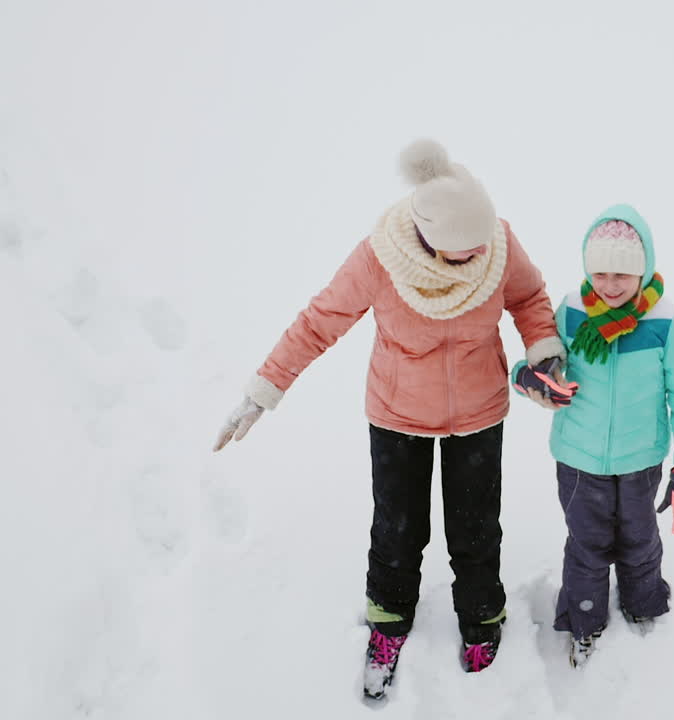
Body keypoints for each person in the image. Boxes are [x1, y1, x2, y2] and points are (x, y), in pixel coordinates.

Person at [212, 139, 565, 698]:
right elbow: (318, 322)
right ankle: (389, 622)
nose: (478, 256)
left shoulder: (495, 242)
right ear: (428, 238)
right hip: (398, 414)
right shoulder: (381, 257)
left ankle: (482, 619)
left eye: (482, 246)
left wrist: (544, 351)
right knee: (398, 532)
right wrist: (264, 391)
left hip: (478, 411)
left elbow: (529, 298)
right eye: (463, 250)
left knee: (475, 530)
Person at [511, 204, 674, 667]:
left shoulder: (668, 324)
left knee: (639, 538)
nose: (610, 285)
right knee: (587, 542)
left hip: (640, 459)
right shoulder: (571, 314)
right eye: (600, 272)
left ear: (643, 271)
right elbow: (534, 366)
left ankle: (645, 605)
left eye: (622, 274)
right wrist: (532, 379)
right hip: (578, 459)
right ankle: (584, 619)